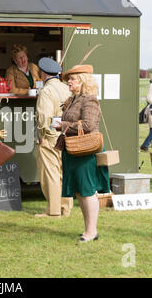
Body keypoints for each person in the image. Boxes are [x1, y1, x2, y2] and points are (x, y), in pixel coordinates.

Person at [53, 64, 110, 243]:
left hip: (85, 151)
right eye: (69, 79)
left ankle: (91, 231)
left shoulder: (89, 99)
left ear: (82, 81)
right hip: (73, 150)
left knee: (87, 191)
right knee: (79, 191)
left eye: (72, 79)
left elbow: (89, 125)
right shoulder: (73, 99)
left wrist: (62, 125)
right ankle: (89, 229)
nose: (68, 81)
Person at [35, 57, 73, 218]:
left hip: (50, 136)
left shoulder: (46, 91)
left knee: (50, 174)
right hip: (66, 135)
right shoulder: (67, 88)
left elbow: (43, 116)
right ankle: (65, 208)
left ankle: (53, 210)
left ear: (43, 74)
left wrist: (42, 135)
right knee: (63, 173)